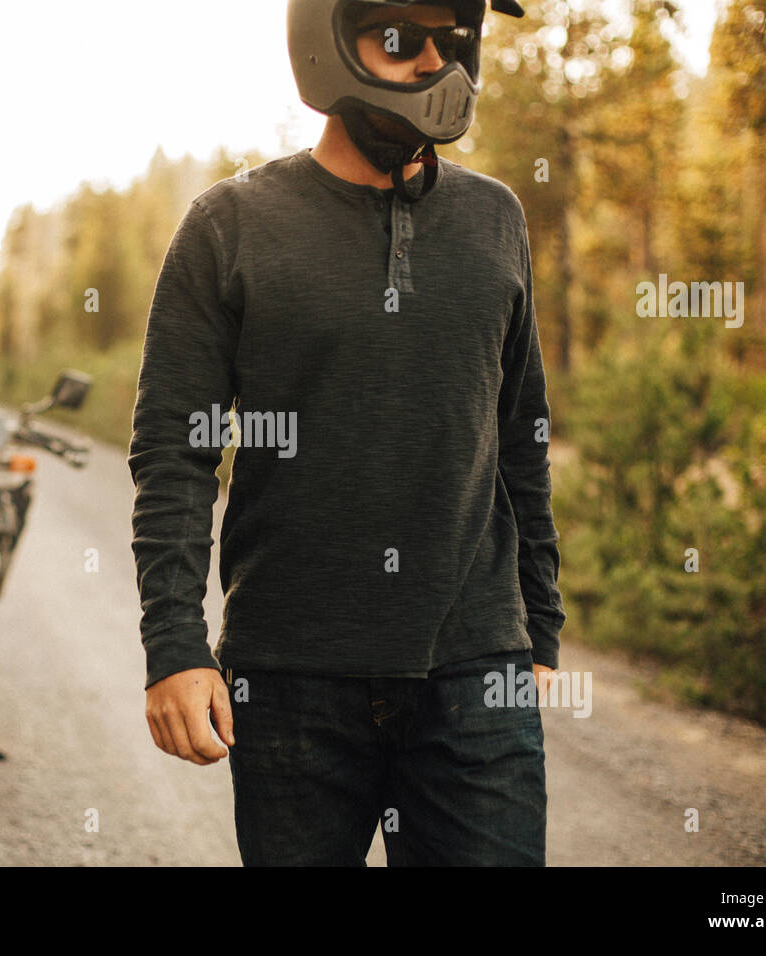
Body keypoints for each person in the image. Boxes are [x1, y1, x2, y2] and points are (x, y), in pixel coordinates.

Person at [128, 0, 567, 866]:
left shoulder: (495, 219)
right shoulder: (231, 226)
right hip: (290, 678)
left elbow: (521, 432)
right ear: (329, 42)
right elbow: (176, 450)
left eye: (451, 41)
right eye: (402, 37)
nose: (434, 63)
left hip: (476, 669)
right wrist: (174, 645)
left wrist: (539, 627)